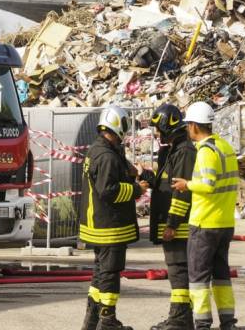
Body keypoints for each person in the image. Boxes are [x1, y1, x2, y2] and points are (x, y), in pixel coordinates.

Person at [171, 102, 239, 330]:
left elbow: (208, 184)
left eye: (188, 125)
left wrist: (186, 184)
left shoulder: (206, 151)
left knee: (198, 279)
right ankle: (228, 321)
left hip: (205, 223)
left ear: (193, 126)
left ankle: (202, 324)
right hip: (225, 223)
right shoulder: (225, 147)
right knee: (221, 276)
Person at [79, 106, 146, 330]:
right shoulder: (106, 155)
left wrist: (133, 171)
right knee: (110, 273)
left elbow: (117, 165)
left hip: (98, 225)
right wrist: (137, 190)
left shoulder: (99, 149)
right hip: (109, 227)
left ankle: (92, 320)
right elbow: (108, 190)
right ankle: (108, 321)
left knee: (100, 273)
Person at [143, 104, 196, 330]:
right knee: (175, 269)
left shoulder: (184, 151)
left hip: (178, 224)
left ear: (167, 126)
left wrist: (172, 224)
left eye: (158, 128)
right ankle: (179, 317)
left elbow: (181, 191)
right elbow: (162, 181)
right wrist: (143, 175)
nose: (156, 133)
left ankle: (180, 318)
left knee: (178, 269)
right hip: (168, 220)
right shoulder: (172, 149)